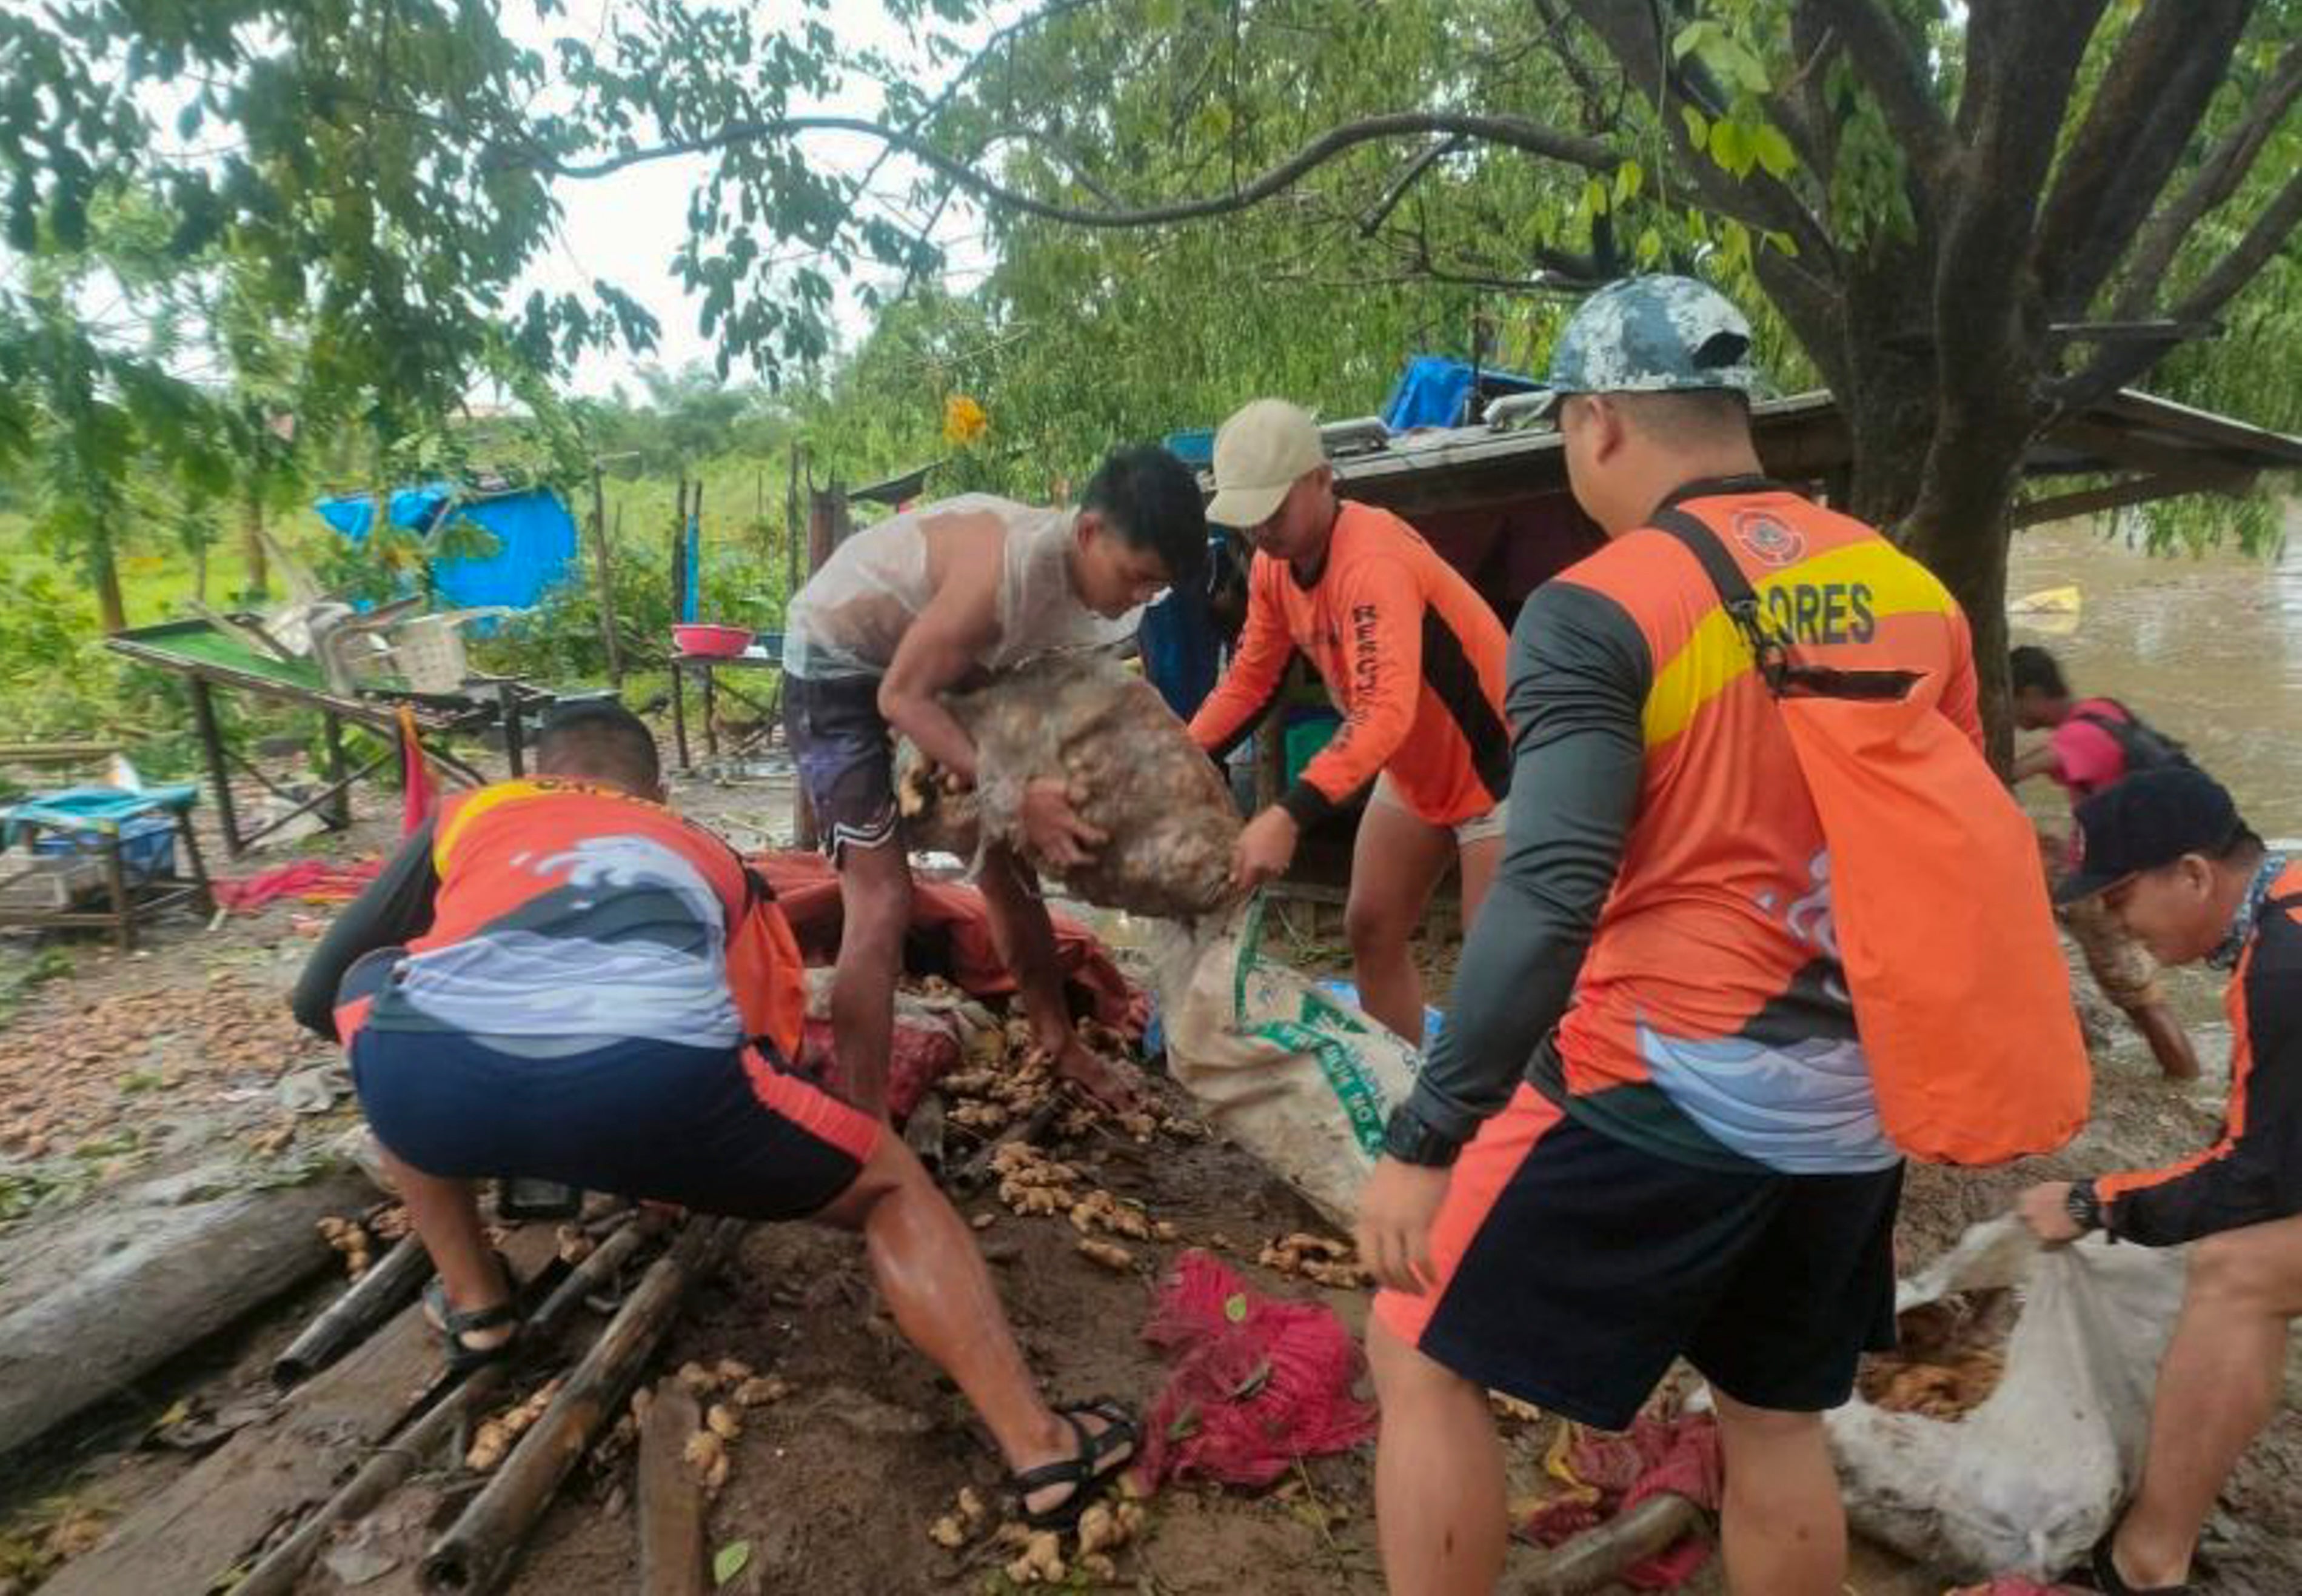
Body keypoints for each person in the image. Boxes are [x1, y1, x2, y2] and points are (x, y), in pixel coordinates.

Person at [1353, 276, 1984, 1596]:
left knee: (1414, 1336)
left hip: (1668, 1079)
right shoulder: (1912, 591)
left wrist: (1429, 1130)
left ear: (1595, 422)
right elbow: (1954, 852)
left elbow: (1549, 888)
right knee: (1771, 1418)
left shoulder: (1600, 603)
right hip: (1849, 1104)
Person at [290, 703, 1135, 1526]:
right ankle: (1042, 1449)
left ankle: (478, 1305)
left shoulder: (474, 811)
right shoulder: (705, 849)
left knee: (381, 1001)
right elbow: (764, 1035)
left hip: (423, 1081)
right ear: (657, 790)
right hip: (658, 1077)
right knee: (892, 1187)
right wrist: (667, 1151)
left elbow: (315, 995)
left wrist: (509, 1088)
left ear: (537, 772)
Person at [780, 449, 1206, 1115]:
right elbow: (900, 698)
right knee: (882, 896)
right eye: (1136, 578)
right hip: (836, 666)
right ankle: (865, 1130)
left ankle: (1057, 1040)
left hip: (929, 665)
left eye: (1154, 590)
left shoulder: (1066, 578)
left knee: (1007, 863)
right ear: (1089, 532)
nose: (1137, 598)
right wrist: (1012, 789)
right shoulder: (1000, 573)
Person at [2016, 768, 2299, 1596]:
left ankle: (2145, 1560)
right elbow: (2267, 1133)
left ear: (2194, 875)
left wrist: (2092, 1201)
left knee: (2237, 1270)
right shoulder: (2284, 903)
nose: (2116, 925)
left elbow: (2255, 1179)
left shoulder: (2282, 969)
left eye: (2119, 899)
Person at [1187, 398, 1511, 1044]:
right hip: (1417, 765)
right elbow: (1251, 679)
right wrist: (1178, 753)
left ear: (1321, 479)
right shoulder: (1272, 568)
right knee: (1370, 927)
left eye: (1274, 511)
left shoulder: (1371, 561)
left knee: (1495, 974)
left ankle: (1504, 1104)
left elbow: (1383, 710)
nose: (1261, 531)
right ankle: (1402, 1083)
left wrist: (1287, 815)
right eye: (1248, 518)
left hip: (1500, 765)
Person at [2011, 644, 2201, 1080]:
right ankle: (2079, 1036)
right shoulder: (2102, 710)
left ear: (2032, 693)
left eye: (2013, 702)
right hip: (2129, 869)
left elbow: (2011, 772)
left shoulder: (2076, 739)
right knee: (2032, 864)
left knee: (2141, 1000)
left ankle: (2184, 1080)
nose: (2012, 717)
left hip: (2108, 888)